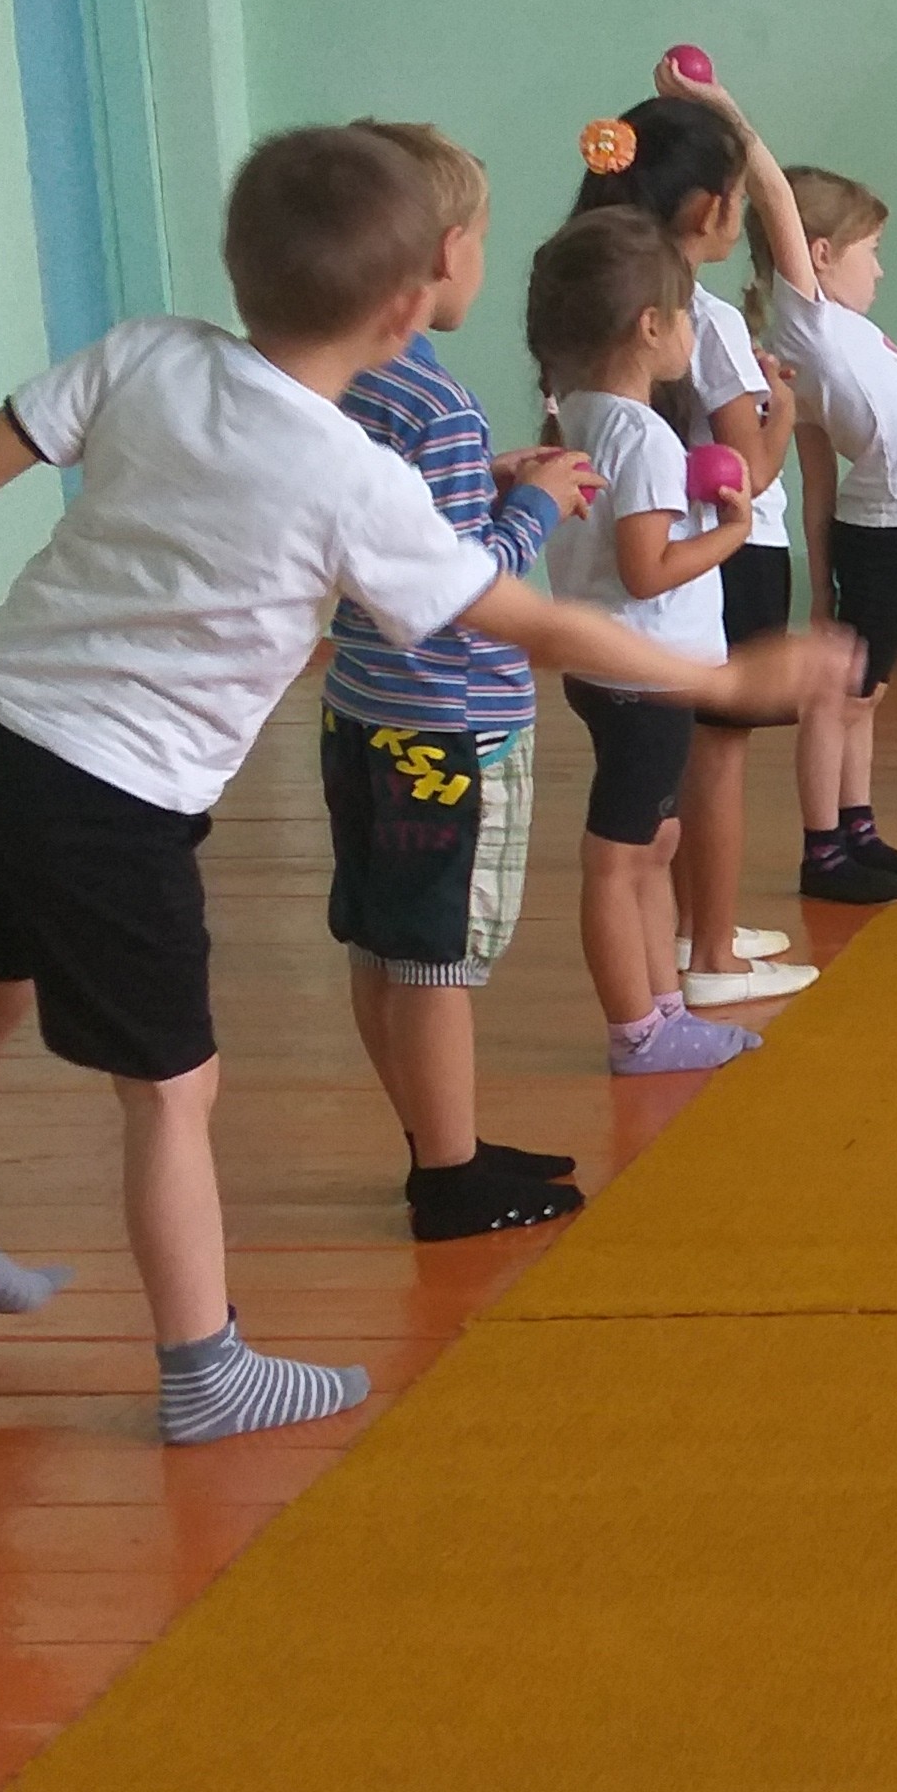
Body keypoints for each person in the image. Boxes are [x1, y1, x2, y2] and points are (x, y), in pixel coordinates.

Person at [0, 128, 842, 1438]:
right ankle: (206, 1371)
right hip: (111, 796)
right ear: (407, 304)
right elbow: (533, 625)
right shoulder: (350, 480)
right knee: (172, 1093)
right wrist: (720, 677)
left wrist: (499, 486)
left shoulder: (150, 352)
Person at [324, 120, 596, 1241]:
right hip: (453, 724)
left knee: (384, 940)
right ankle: (449, 1177)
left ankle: (438, 1141)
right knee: (439, 956)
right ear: (445, 252)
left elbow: (392, 525)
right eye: (481, 237)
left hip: (363, 709)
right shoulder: (436, 401)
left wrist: (485, 478)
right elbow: (460, 580)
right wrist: (536, 505)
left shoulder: (343, 378)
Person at [569, 67, 813, 1010]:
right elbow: (749, 471)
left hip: (650, 571)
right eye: (738, 201)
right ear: (710, 208)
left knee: (679, 774)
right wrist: (779, 409)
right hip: (721, 553)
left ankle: (691, 925)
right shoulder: (698, 315)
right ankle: (711, 949)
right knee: (716, 758)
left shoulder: (593, 290)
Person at [531, 208, 783, 1081]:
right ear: (650, 326)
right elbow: (647, 570)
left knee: (655, 843)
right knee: (618, 857)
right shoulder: (642, 434)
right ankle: (636, 1030)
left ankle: (662, 1010)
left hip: (611, 671)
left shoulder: (579, 414)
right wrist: (732, 531)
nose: (690, 333)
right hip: (644, 675)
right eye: (684, 317)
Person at [753, 165, 897, 909]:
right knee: (838, 699)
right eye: (871, 250)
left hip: (895, 529)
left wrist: (821, 589)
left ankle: (858, 831)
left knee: (861, 694)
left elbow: (818, 480)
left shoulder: (835, 336)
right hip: (887, 528)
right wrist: (731, 122)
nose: (881, 268)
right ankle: (824, 852)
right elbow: (775, 198)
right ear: (819, 255)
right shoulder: (807, 323)